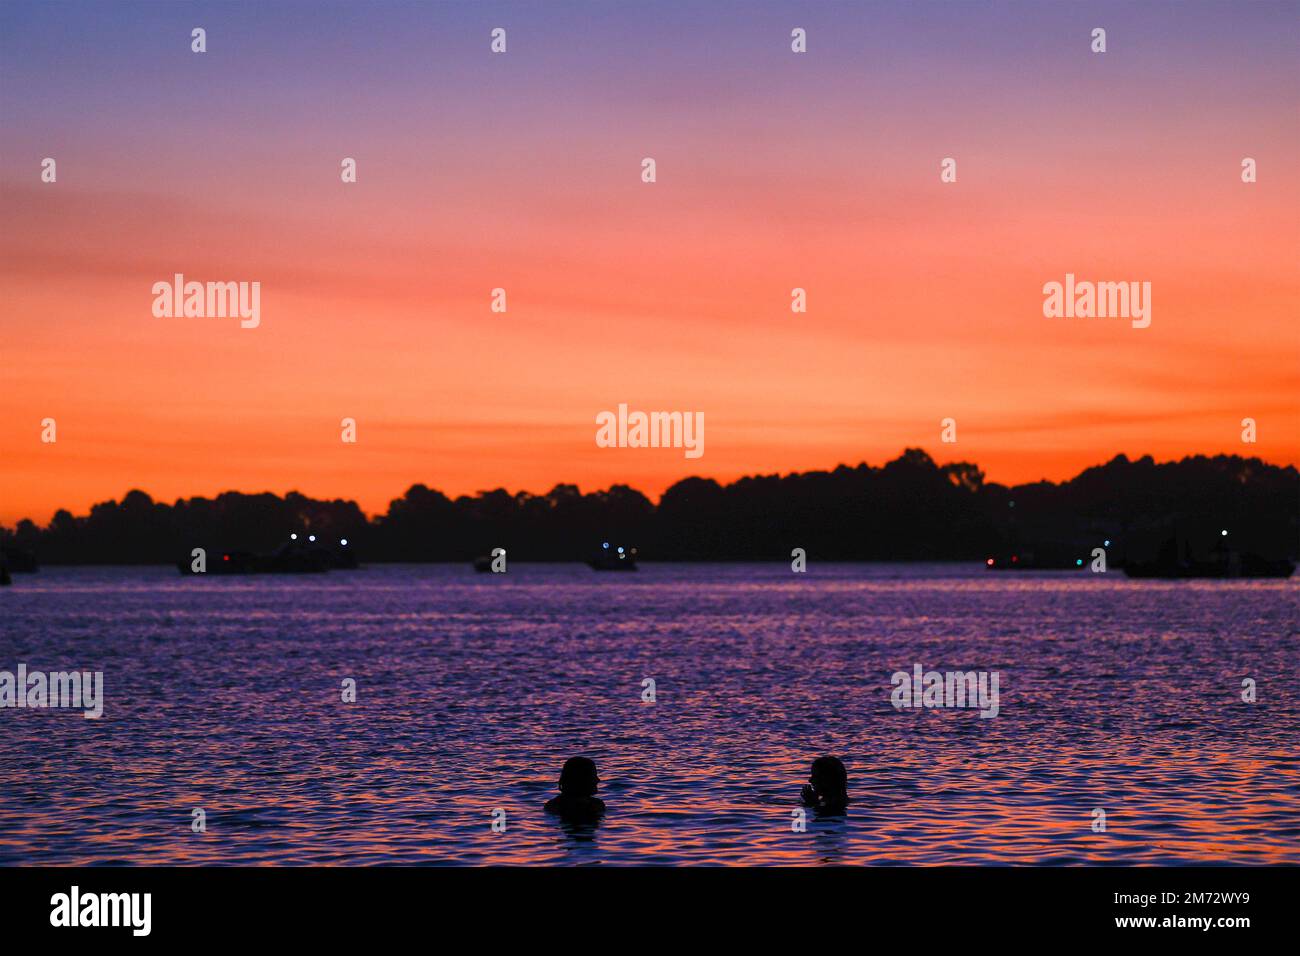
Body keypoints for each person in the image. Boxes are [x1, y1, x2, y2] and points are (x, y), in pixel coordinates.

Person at [544, 757, 606, 822]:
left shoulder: (552, 806)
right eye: (594, 775)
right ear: (581, 779)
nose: (598, 780)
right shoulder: (596, 805)